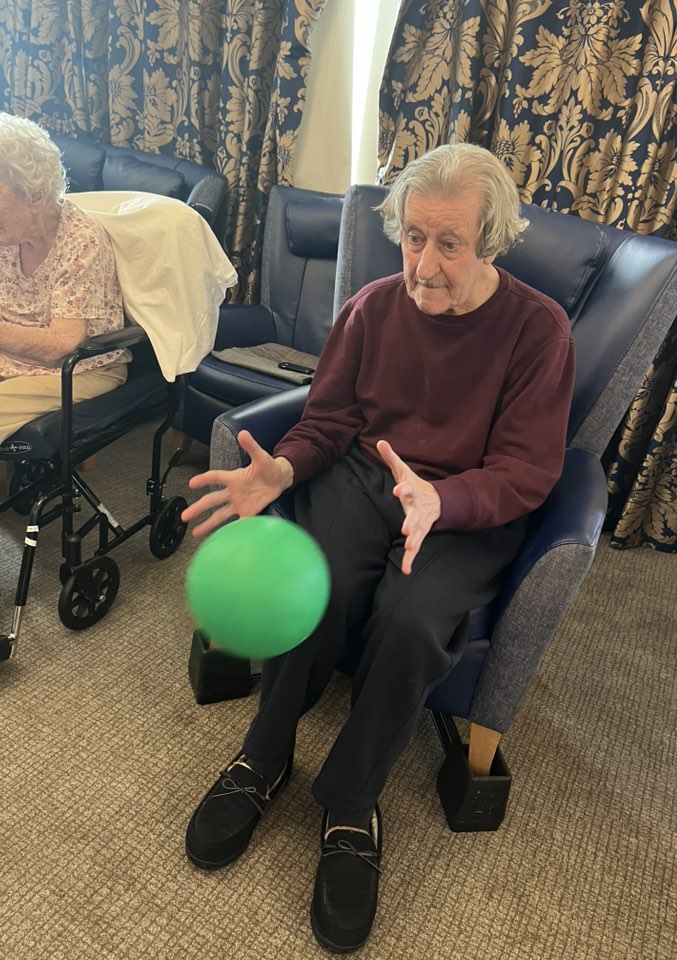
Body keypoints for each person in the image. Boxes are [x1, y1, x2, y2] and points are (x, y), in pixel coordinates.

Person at [181, 143, 576, 953]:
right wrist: (284, 467)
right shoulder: (372, 306)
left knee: (409, 619)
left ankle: (352, 803)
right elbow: (331, 420)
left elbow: (529, 470)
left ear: (491, 243)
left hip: (467, 504)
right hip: (368, 478)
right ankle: (263, 758)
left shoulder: (540, 331)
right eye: (412, 238)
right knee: (311, 580)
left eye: (449, 244)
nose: (424, 266)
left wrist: (446, 498)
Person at [0, 113, 128, 454]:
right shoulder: (8, 232)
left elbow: (64, 343)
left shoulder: (79, 241)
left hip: (79, 370)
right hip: (13, 359)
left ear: (36, 197)